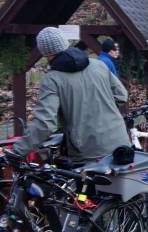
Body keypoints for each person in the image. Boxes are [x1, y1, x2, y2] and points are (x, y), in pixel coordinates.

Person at [11, 27, 130, 163]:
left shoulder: (52, 79)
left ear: (45, 53)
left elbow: (45, 123)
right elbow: (122, 95)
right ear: (65, 43)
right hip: (121, 144)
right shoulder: (99, 65)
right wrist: (101, 110)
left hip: (88, 152)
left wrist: (17, 151)